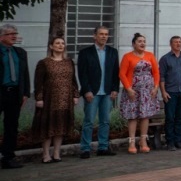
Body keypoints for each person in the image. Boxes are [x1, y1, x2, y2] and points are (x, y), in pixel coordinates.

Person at [31, 36, 80, 163]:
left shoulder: (69, 62)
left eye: (62, 43)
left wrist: (75, 95)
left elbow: (73, 81)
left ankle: (57, 153)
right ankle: (46, 154)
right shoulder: (44, 63)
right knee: (48, 127)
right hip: (49, 100)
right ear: (51, 46)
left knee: (61, 127)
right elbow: (38, 83)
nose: (60, 45)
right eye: (57, 43)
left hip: (65, 99)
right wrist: (39, 98)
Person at [78, 26, 120, 159]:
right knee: (89, 121)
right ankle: (85, 148)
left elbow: (115, 73)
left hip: (107, 92)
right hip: (92, 93)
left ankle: (103, 147)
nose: (104, 36)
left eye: (106, 34)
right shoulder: (85, 53)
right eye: (101, 34)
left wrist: (115, 89)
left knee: (105, 121)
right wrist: (86, 90)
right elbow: (82, 74)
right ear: (94, 36)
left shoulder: (113, 52)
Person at [119, 33, 160, 154]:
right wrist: (129, 89)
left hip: (148, 92)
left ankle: (143, 141)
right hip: (132, 92)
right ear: (133, 44)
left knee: (145, 115)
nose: (142, 43)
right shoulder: (127, 57)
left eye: (144, 41)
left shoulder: (150, 55)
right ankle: (131, 142)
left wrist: (155, 87)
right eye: (139, 41)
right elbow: (122, 74)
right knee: (132, 116)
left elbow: (156, 73)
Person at [0, 23, 30, 169]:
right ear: (1, 36)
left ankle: (8, 157)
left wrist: (25, 93)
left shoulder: (20, 52)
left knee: (12, 126)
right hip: (1, 92)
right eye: (10, 34)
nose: (14, 36)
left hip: (14, 94)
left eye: (15, 33)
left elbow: (25, 74)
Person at [159, 36, 181, 151]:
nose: (178, 44)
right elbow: (161, 77)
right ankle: (170, 142)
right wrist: (163, 92)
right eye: (176, 42)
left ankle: (178, 141)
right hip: (170, 92)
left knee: (180, 117)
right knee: (170, 118)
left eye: (180, 42)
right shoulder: (165, 59)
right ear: (171, 44)